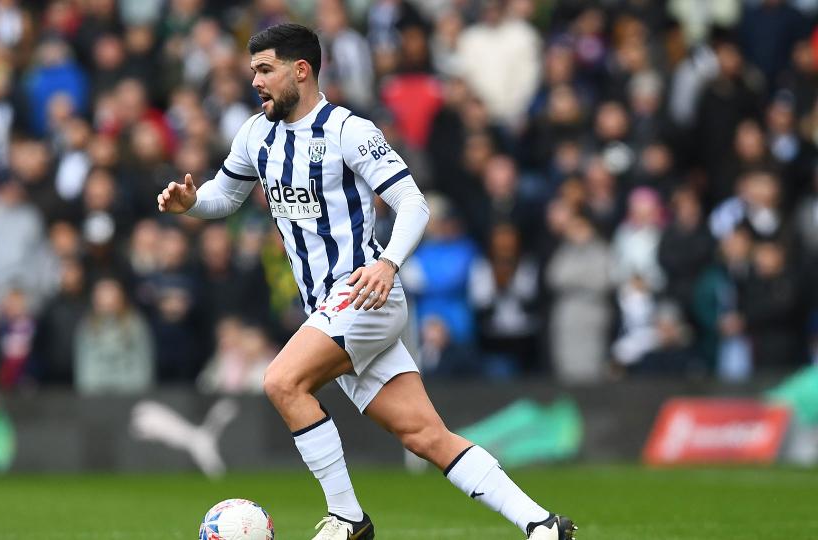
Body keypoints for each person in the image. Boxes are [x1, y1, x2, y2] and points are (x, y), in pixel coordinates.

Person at [157, 23, 575, 540]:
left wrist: (387, 263)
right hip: (329, 310)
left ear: (301, 70)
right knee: (425, 435)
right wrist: (192, 205)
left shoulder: (348, 131)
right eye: (253, 73)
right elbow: (225, 195)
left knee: (282, 381)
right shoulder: (255, 134)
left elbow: (412, 204)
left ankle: (349, 519)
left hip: (365, 293)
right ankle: (542, 525)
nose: (256, 82)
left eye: (265, 70)